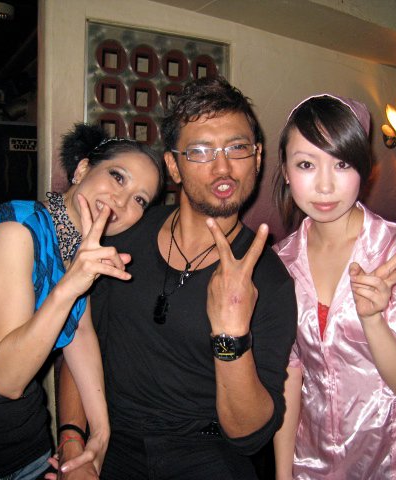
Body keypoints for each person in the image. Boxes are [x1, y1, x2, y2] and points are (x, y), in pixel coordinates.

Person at [54, 76, 298, 479]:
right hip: (109, 441)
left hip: (207, 454)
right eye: (200, 151)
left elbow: (249, 436)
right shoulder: (123, 235)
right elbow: (80, 340)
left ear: (257, 157)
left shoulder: (270, 279)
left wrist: (231, 335)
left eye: (237, 148)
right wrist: (72, 443)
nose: (223, 167)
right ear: (174, 166)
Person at [0, 124, 164, 479]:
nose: (122, 201)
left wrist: (101, 433)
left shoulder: (79, 248)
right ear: (82, 169)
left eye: (140, 199)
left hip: (27, 442)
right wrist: (70, 285)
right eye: (118, 177)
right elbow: (7, 379)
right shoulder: (16, 230)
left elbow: (80, 333)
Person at [272, 94, 396, 479]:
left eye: (342, 163)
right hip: (315, 462)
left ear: (363, 169)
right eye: (306, 164)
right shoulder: (280, 264)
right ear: (285, 170)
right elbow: (290, 375)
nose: (324, 185)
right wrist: (283, 474)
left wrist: (373, 320)